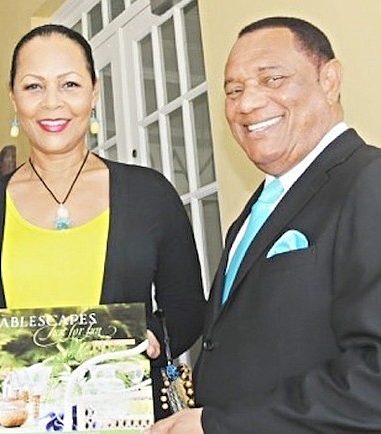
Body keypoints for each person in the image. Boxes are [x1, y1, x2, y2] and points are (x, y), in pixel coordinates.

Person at [0, 23, 205, 423]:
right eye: (33, 86)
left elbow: (189, 309)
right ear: (13, 98)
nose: (52, 103)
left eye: (70, 84)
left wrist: (151, 335)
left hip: (127, 420)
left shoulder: (151, 195)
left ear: (95, 92)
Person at [146, 16, 381, 434]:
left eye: (272, 79)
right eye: (233, 91)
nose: (247, 103)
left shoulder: (370, 181)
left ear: (330, 79)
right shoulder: (256, 211)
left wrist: (219, 425)